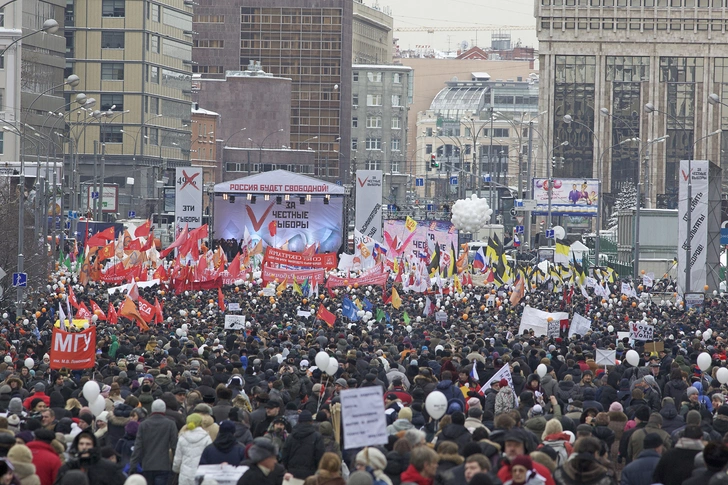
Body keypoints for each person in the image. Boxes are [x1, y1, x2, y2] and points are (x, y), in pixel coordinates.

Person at [129, 399, 179, 485]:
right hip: (163, 465)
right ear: (164, 409)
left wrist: (132, 465)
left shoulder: (143, 425)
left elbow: (138, 446)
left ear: (152, 409)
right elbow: (174, 446)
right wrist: (176, 465)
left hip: (147, 465)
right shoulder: (170, 424)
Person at [55, 431, 126, 485]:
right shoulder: (68, 467)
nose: (84, 447)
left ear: (94, 446)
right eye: (81, 444)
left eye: (88, 444)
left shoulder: (109, 468)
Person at [281, 410, 325, 480]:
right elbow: (320, 457)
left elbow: (285, 456)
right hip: (310, 475)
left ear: (298, 421)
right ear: (311, 422)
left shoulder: (291, 437)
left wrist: (288, 469)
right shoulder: (316, 437)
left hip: (292, 474)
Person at [173, 413, 213, 485]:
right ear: (201, 423)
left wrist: (176, 469)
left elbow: (178, 458)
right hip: (200, 473)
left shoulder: (182, 437)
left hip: (185, 474)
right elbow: (209, 456)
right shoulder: (206, 437)